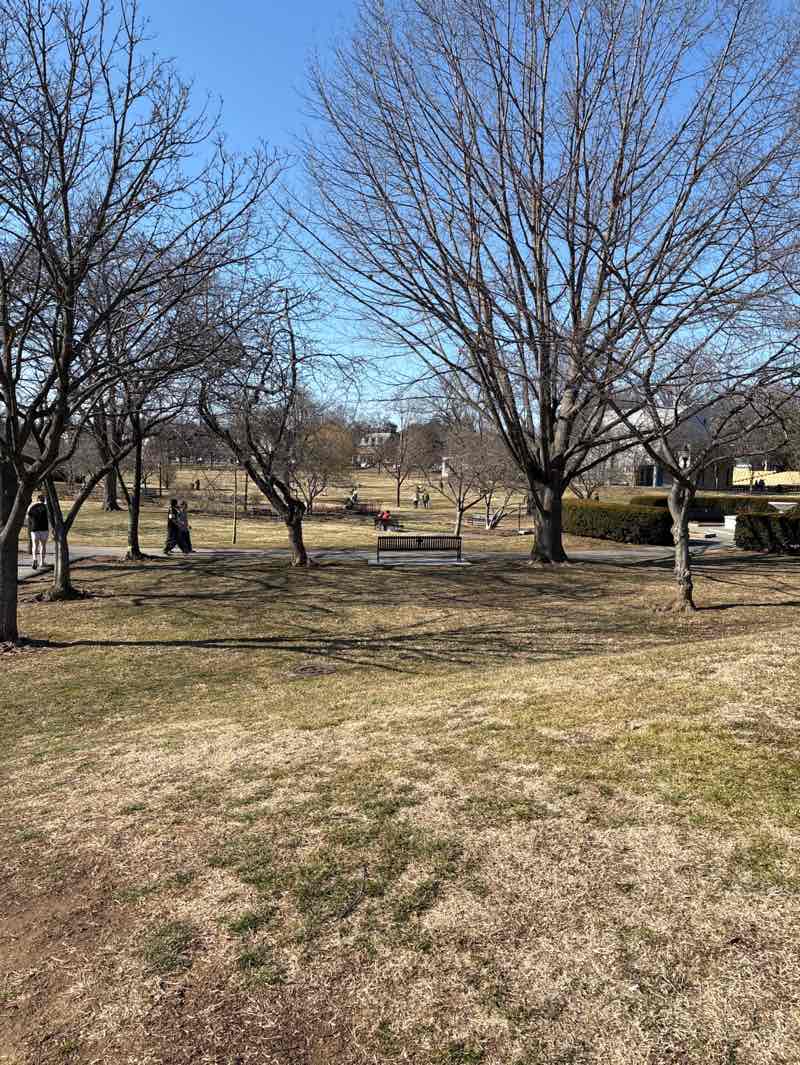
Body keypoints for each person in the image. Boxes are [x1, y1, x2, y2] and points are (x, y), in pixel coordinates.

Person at [26, 493, 50, 569]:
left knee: (35, 546)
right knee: (43, 545)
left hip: (34, 529)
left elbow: (28, 518)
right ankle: (42, 562)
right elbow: (49, 517)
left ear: (37, 499)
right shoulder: (46, 507)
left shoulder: (31, 507)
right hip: (44, 529)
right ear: (44, 500)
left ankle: (34, 559)